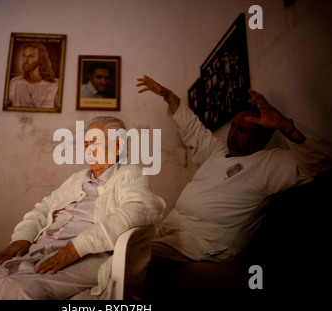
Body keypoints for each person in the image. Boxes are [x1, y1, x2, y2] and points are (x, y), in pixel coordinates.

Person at [136, 75, 330, 264]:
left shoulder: (269, 163)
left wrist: (286, 126)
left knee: (125, 257)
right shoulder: (218, 152)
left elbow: (320, 162)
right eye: (234, 127)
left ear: (263, 139)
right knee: (118, 241)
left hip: (204, 244)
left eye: (243, 130)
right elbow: (191, 127)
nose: (234, 134)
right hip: (173, 229)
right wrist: (168, 96)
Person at [0, 116, 165, 300]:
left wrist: (75, 248)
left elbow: (139, 210)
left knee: (21, 289)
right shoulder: (78, 178)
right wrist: (22, 237)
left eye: (94, 143)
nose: (88, 151)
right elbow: (45, 206)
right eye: (86, 145)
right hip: (46, 245)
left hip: (91, 255)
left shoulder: (129, 174)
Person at [8, 42, 59, 108]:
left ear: (40, 59)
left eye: (30, 56)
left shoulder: (55, 84)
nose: (25, 60)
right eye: (24, 56)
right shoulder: (15, 82)